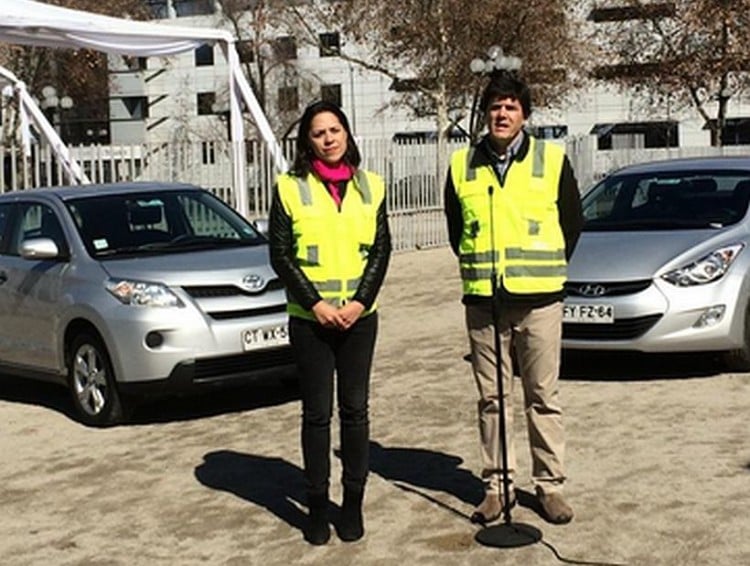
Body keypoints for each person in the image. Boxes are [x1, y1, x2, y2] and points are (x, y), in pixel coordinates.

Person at [443, 72, 583, 525]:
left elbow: (571, 225)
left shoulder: (552, 160)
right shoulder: (461, 165)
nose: (502, 114)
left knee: (542, 396)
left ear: (524, 114)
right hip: (484, 301)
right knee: (492, 399)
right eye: (495, 107)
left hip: (539, 300)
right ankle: (498, 488)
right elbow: (455, 231)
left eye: (511, 107)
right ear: (485, 113)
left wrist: (540, 273)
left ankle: (550, 487)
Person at [268, 100, 391, 545]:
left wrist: (360, 302)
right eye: (319, 133)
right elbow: (280, 254)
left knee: (355, 411)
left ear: (347, 133)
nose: (328, 138)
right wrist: (316, 303)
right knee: (317, 416)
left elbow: (381, 250)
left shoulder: (371, 186)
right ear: (307, 141)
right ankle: (317, 507)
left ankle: (352, 504)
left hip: (359, 320)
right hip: (310, 320)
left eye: (335, 129)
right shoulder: (288, 187)